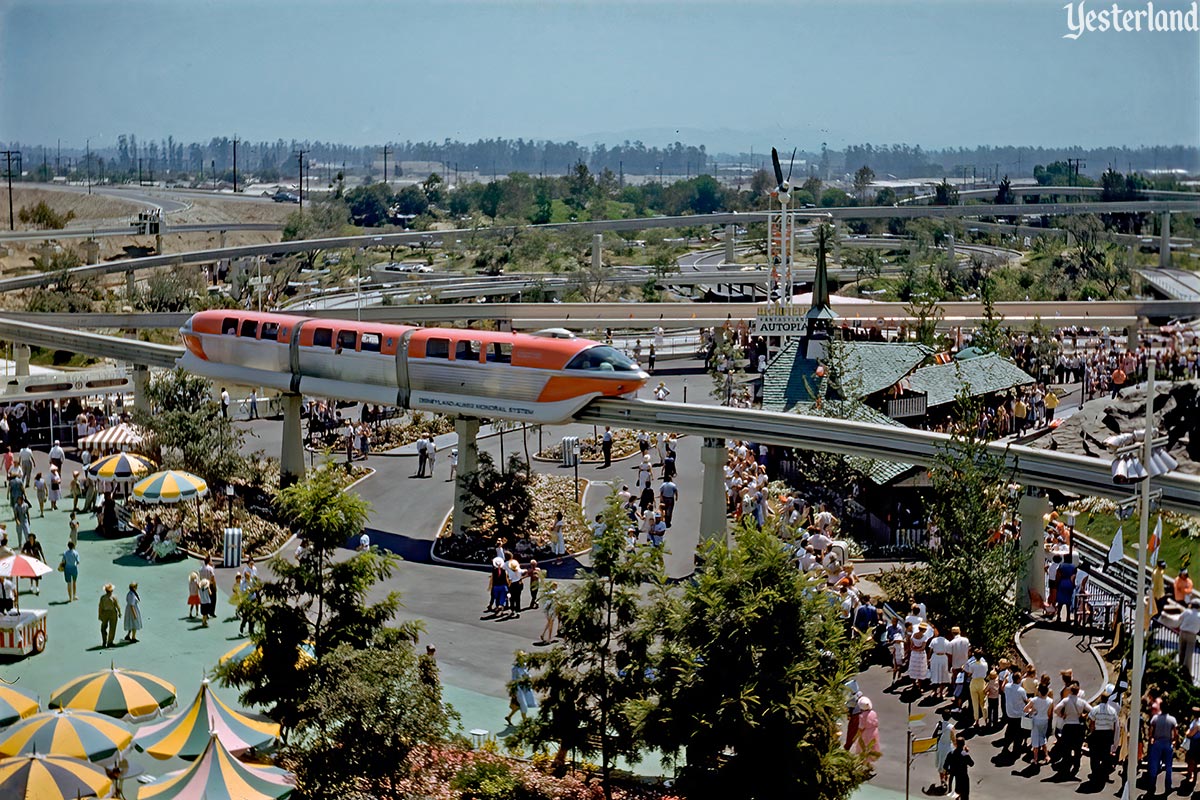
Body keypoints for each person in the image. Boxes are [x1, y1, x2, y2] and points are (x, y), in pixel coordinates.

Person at [1052, 681, 1091, 775]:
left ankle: (1067, 763)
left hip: (1068, 725)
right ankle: (1076, 765)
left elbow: (1056, 709)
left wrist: (1062, 715)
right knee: (1077, 748)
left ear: (1070, 691)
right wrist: (1084, 715)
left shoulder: (1066, 700)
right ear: (1078, 692)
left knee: (1067, 746)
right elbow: (1092, 710)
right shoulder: (1082, 702)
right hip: (1078, 726)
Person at [1087, 685, 1119, 783]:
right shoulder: (1112, 711)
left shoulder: (1095, 709)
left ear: (1101, 699)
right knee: (1105, 754)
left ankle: (1095, 772)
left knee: (1094, 755)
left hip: (1098, 733)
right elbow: (1114, 725)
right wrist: (1112, 737)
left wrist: (1092, 732)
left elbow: (1091, 722)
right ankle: (1103, 773)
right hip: (1108, 734)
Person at [1147, 705, 1178, 794]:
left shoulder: (1155, 718)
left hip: (1157, 743)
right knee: (1168, 767)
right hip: (1167, 743)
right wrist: (1174, 741)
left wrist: (1151, 739)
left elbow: (1151, 729)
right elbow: (1175, 732)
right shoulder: (1172, 719)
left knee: (1154, 765)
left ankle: (1152, 786)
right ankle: (1168, 786)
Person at [505, 651, 539, 725]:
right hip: (519, 688)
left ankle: (509, 717)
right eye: (522, 657)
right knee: (523, 705)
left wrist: (528, 678)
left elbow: (528, 674)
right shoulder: (515, 669)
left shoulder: (525, 665)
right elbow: (514, 679)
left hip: (525, 687)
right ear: (519, 658)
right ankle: (525, 722)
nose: (524, 658)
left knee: (520, 705)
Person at [1025, 683, 1055, 765]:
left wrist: (1032, 711)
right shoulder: (1050, 701)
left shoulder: (1034, 700)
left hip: (1036, 720)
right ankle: (1046, 755)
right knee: (1043, 737)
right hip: (1044, 720)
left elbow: (1025, 709)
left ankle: (1035, 758)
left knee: (1035, 739)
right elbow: (1049, 714)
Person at [1001, 671, 1029, 755]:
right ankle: (1016, 749)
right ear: (1019, 679)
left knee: (1009, 731)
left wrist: (1005, 680)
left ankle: (1005, 746)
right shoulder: (1021, 690)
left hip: (1010, 713)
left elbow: (1002, 688)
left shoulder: (1007, 687)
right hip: (1019, 715)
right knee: (1019, 733)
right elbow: (1025, 701)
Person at [850, 696, 880, 763]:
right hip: (874, 732)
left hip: (866, 734)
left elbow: (861, 728)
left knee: (863, 748)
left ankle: (864, 762)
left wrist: (855, 738)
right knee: (872, 747)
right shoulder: (873, 713)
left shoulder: (862, 716)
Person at [98, 583, 121, 647]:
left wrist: (100, 615)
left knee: (103, 627)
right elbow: (117, 606)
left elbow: (100, 607)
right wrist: (119, 612)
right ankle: (110, 642)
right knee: (112, 628)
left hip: (105, 613)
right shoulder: (114, 597)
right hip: (112, 612)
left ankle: (104, 641)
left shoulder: (103, 598)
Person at [1179, 600, 1200, 670]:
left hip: (1183, 632)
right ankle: (1186, 671)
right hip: (1192, 635)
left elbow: (1180, 618)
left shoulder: (1187, 612)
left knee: (1181, 651)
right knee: (1189, 654)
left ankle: (1179, 667)